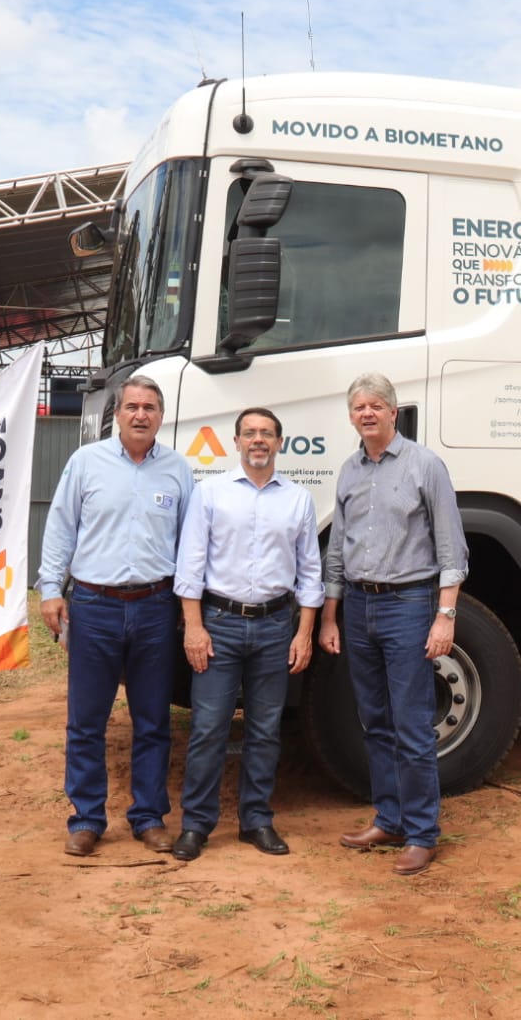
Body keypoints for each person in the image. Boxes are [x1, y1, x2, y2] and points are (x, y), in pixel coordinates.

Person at [318, 372, 468, 876]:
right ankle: (390, 818)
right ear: (351, 416)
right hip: (358, 608)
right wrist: (331, 618)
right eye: (358, 406)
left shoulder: (425, 466)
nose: (367, 413)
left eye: (376, 405)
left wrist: (444, 615)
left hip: (409, 604)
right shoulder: (349, 472)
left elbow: (452, 549)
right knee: (375, 722)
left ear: (393, 412)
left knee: (411, 722)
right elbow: (337, 551)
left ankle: (423, 833)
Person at [38, 375, 193, 857]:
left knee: (152, 719)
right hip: (93, 606)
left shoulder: (178, 470)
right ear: (118, 414)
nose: (141, 415)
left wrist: (189, 607)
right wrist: (49, 590)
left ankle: (148, 817)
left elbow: (191, 543)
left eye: (149, 407)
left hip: (154, 608)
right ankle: (86, 818)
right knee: (87, 720)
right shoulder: (86, 463)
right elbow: (61, 527)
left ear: (161, 416)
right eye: (132, 406)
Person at [171, 407, 323, 861]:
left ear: (280, 442)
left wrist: (305, 633)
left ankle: (256, 820)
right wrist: (193, 628)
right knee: (208, 728)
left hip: (277, 627)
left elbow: (310, 572)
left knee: (265, 730)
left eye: (267, 434)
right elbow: (190, 565)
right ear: (236, 442)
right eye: (250, 433)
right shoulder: (211, 493)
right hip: (218, 626)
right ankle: (196, 825)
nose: (258, 440)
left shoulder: (298, 499)